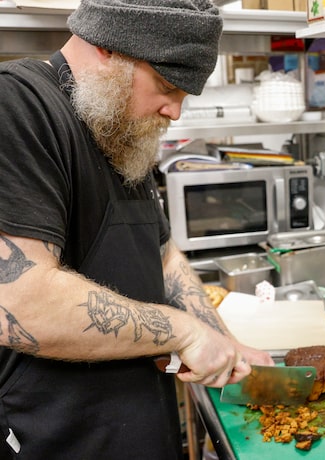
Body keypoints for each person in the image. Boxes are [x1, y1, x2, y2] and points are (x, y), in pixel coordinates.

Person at [0, 0, 274, 458]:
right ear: (109, 46)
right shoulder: (19, 107)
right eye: (167, 87)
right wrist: (185, 333)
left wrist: (219, 337)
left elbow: (162, 255)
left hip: (138, 427)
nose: (175, 112)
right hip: (56, 438)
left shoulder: (116, 127)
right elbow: (20, 301)